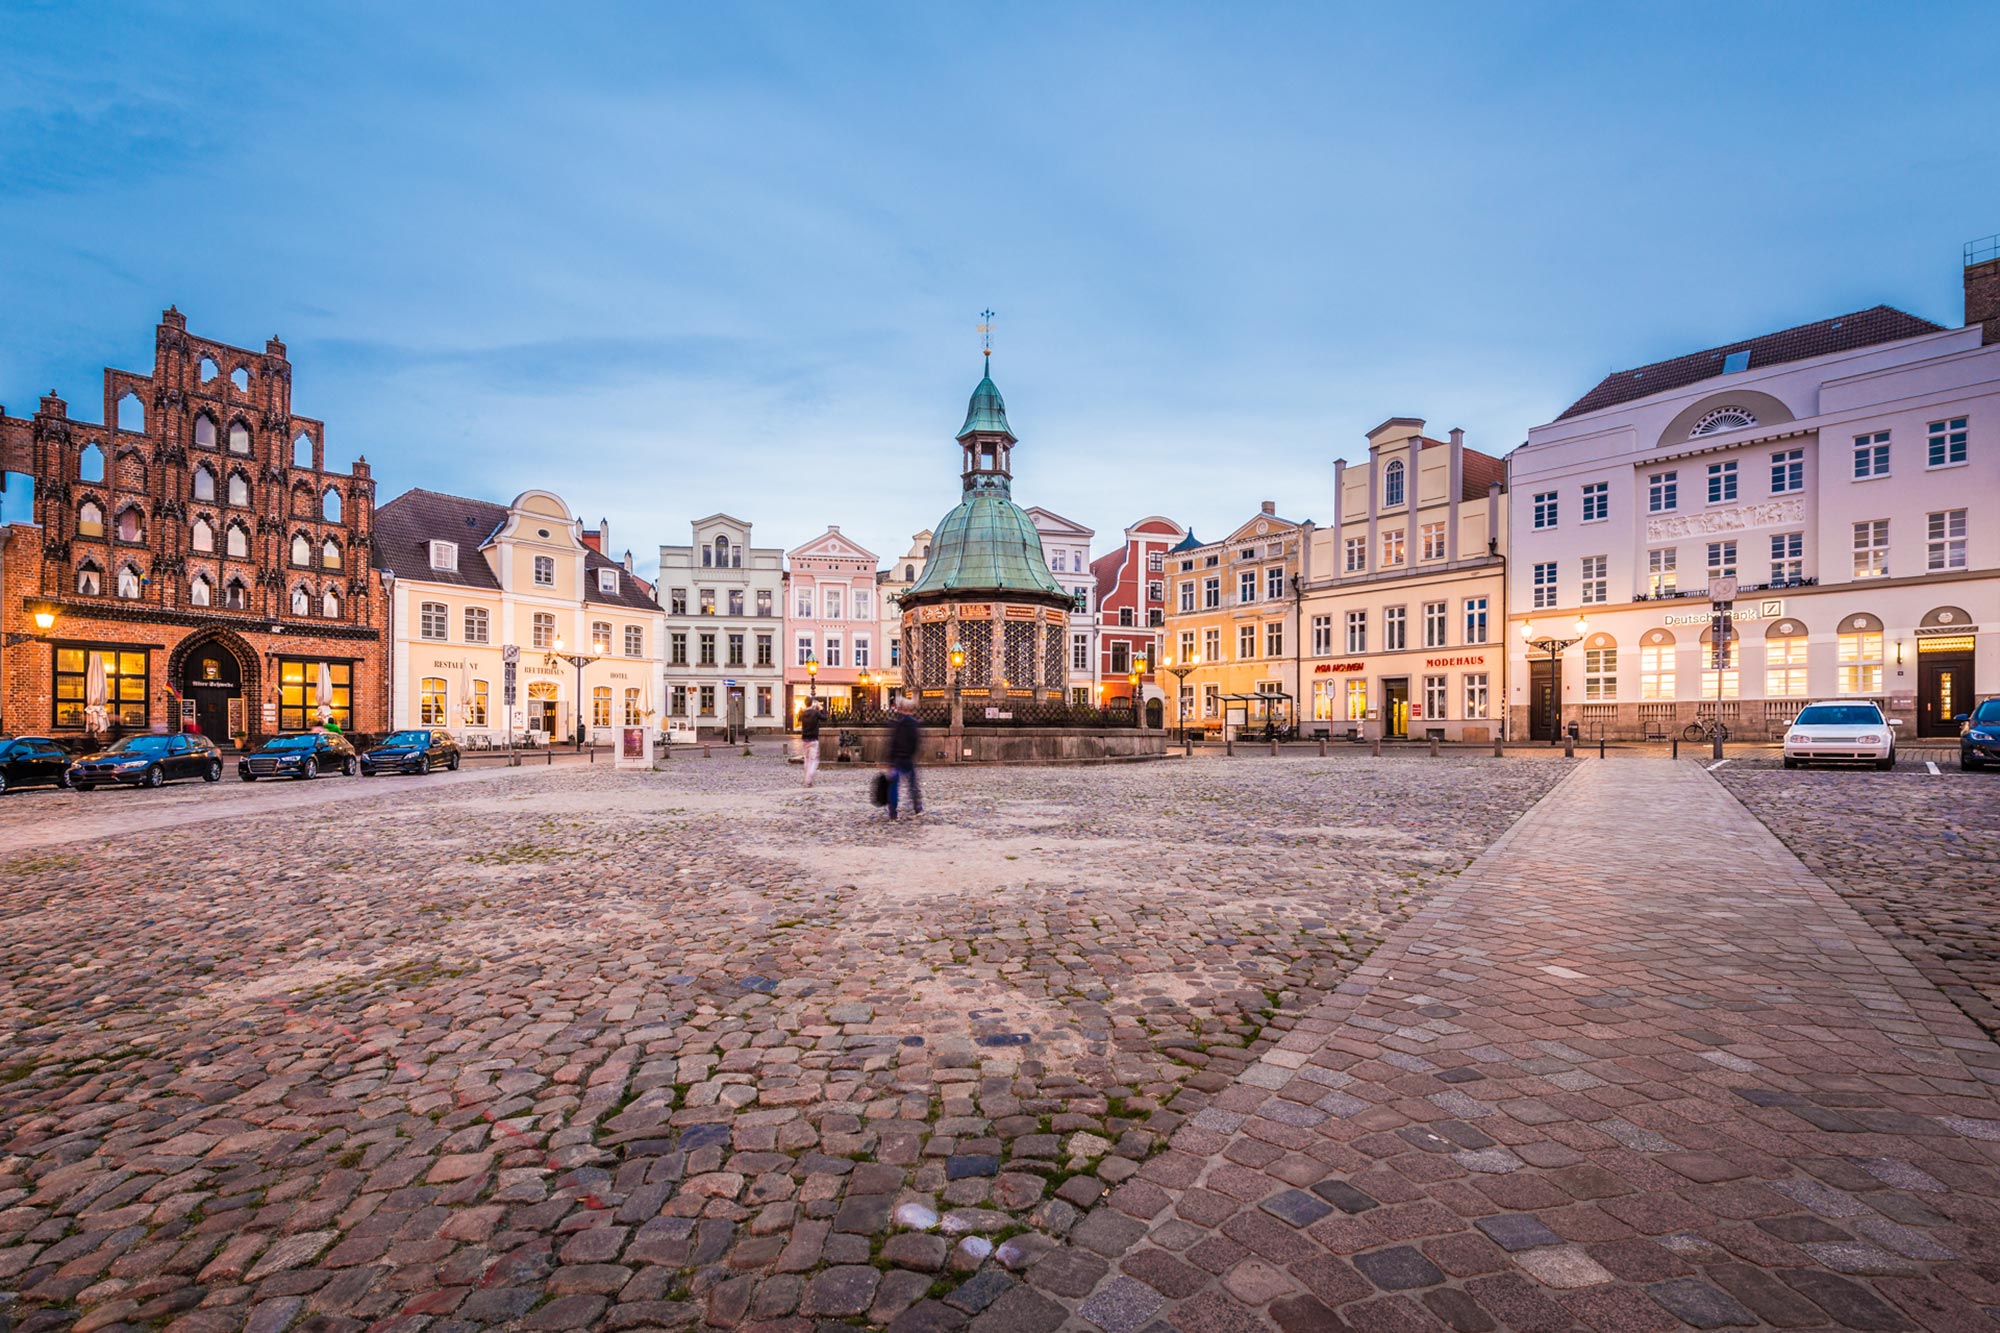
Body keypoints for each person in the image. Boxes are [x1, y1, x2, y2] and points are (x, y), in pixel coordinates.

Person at [885, 695, 923, 819]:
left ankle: (893, 812)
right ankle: (917, 808)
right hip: (907, 759)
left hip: (897, 759)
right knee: (912, 785)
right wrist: (911, 754)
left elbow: (893, 742)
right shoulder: (914, 724)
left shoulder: (897, 723)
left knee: (894, 786)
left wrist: (889, 760)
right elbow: (915, 742)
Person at [798, 699, 825, 787]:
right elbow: (824, 718)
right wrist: (820, 708)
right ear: (812, 703)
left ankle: (807, 778)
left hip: (805, 739)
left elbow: (799, 719)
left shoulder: (803, 713)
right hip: (813, 739)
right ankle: (808, 780)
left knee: (806, 759)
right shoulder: (815, 713)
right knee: (813, 760)